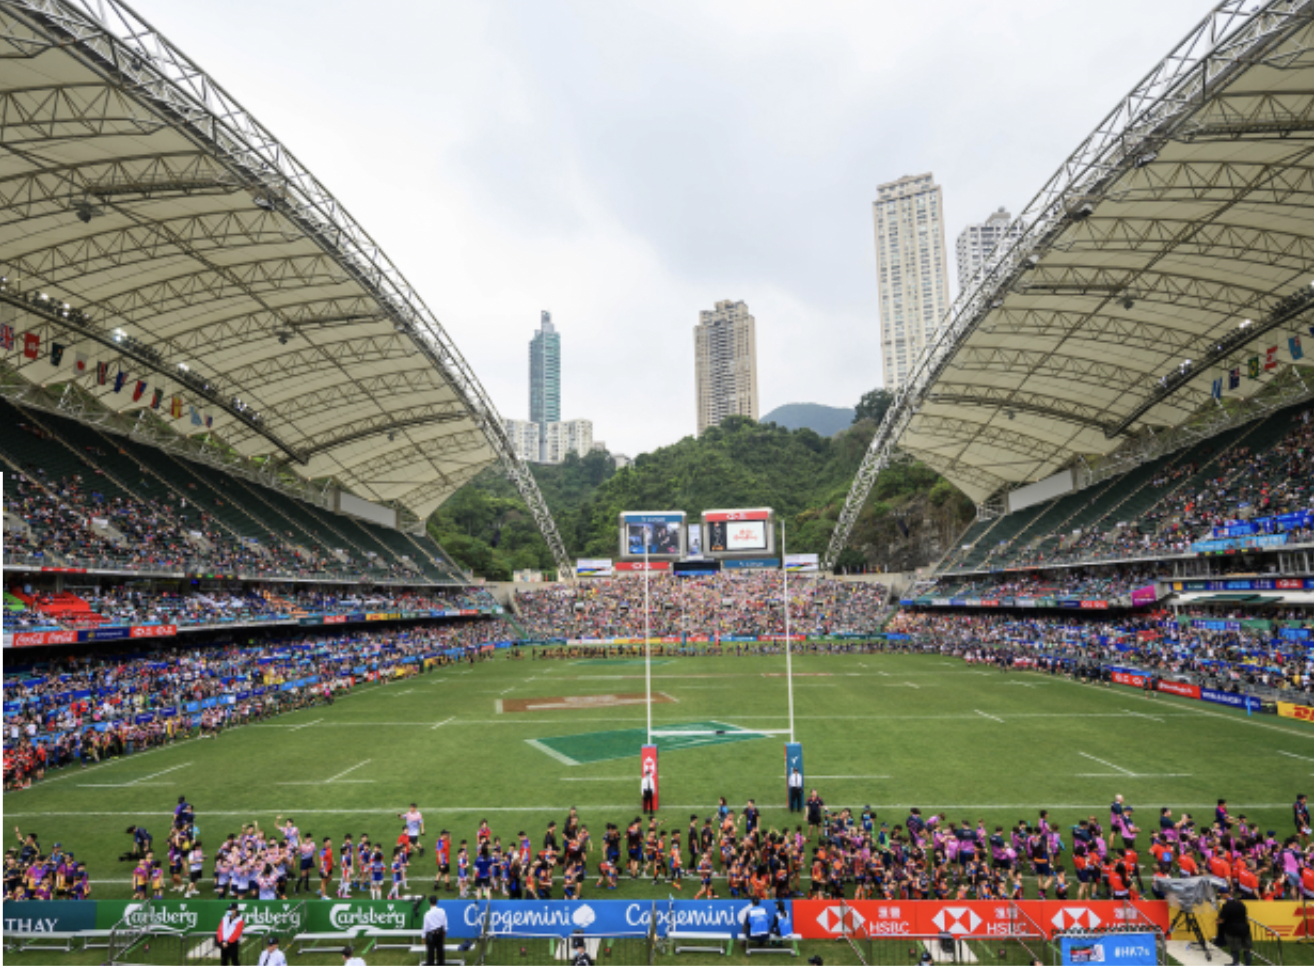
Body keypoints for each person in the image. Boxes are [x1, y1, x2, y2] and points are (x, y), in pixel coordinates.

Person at [1216, 893, 1251, 966]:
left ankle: (1235, 963)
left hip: (1233, 930)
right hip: (1245, 929)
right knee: (1247, 949)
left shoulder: (1226, 906)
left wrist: (1217, 922)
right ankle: (1248, 964)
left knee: (1234, 949)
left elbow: (1222, 920)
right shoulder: (1242, 905)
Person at [423, 895, 448, 966]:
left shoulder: (427, 914)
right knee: (440, 951)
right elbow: (444, 922)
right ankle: (441, 963)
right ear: (436, 902)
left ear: (430, 903)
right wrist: (445, 931)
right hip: (440, 932)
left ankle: (430, 963)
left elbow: (425, 927)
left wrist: (423, 937)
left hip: (431, 934)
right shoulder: (442, 911)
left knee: (430, 953)